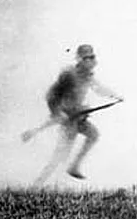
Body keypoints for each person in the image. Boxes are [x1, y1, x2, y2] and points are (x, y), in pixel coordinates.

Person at [33, 44, 123, 185]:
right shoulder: (69, 75)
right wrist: (57, 112)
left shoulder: (88, 76)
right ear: (80, 60)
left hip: (79, 117)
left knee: (93, 135)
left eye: (92, 57)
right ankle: (36, 185)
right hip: (68, 120)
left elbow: (99, 88)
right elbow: (51, 95)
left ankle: (74, 166)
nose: (91, 61)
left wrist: (114, 95)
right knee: (59, 157)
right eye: (87, 58)